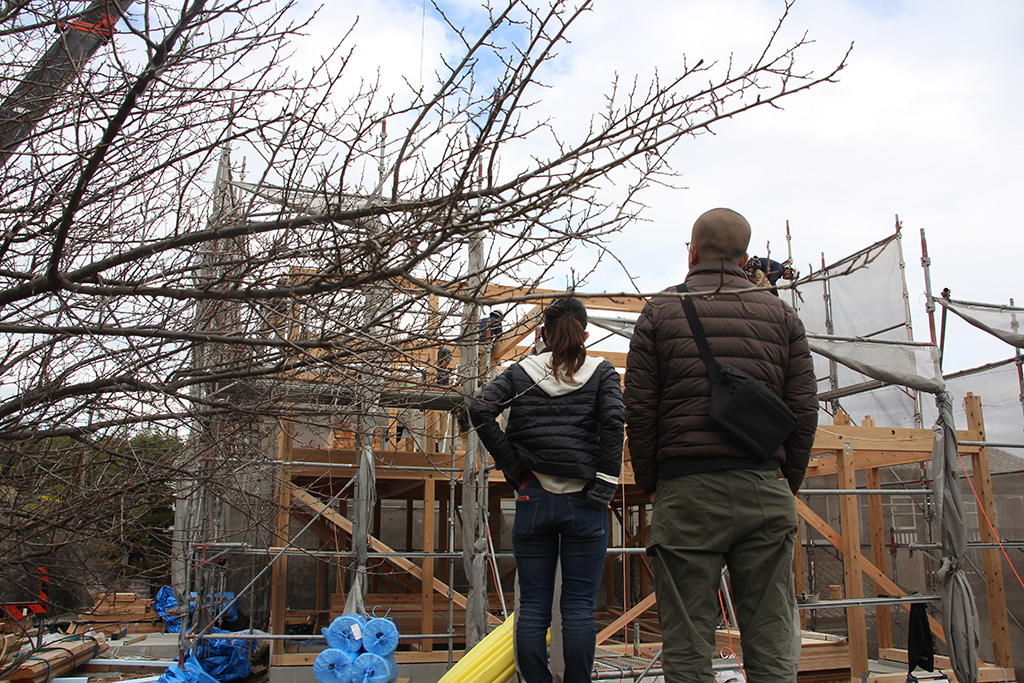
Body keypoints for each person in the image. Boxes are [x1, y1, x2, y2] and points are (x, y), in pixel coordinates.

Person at [624, 208, 818, 683]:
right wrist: (782, 482)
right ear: (746, 258)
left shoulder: (660, 311)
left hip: (687, 491)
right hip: (764, 487)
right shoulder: (781, 314)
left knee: (688, 646)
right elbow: (804, 410)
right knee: (771, 639)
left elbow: (639, 409)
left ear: (692, 252)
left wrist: (655, 484)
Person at [469, 297, 624, 683]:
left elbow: (479, 408)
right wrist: (604, 483)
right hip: (585, 503)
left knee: (533, 608)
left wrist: (513, 466)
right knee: (578, 609)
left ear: (543, 334)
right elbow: (614, 422)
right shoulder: (603, 372)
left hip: (532, 497)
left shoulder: (523, 371)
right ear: (585, 334)